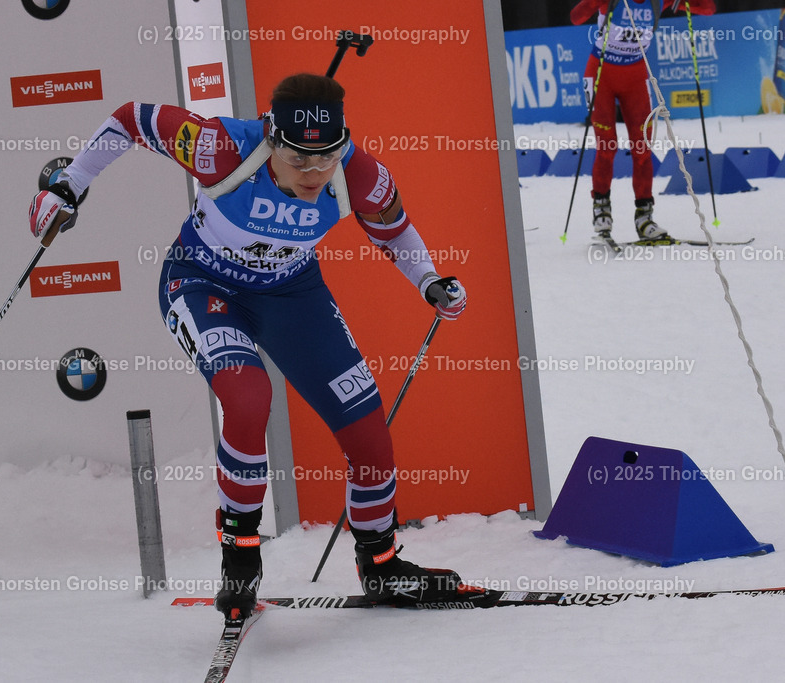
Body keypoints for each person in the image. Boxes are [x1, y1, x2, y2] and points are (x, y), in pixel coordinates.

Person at [28, 73, 472, 618]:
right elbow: (129, 120)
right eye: (298, 160)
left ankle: (381, 565)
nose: (313, 175)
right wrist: (68, 184)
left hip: (291, 292)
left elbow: (394, 230)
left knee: (368, 432)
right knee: (247, 398)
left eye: (325, 159)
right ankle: (240, 562)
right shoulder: (220, 147)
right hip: (202, 284)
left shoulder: (359, 174)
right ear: (270, 138)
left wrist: (430, 281)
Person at [570, 0, 715, 242]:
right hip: (599, 74)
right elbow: (576, 16)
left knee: (642, 148)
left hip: (636, 77)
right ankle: (601, 212)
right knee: (607, 147)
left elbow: (708, 8)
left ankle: (644, 218)